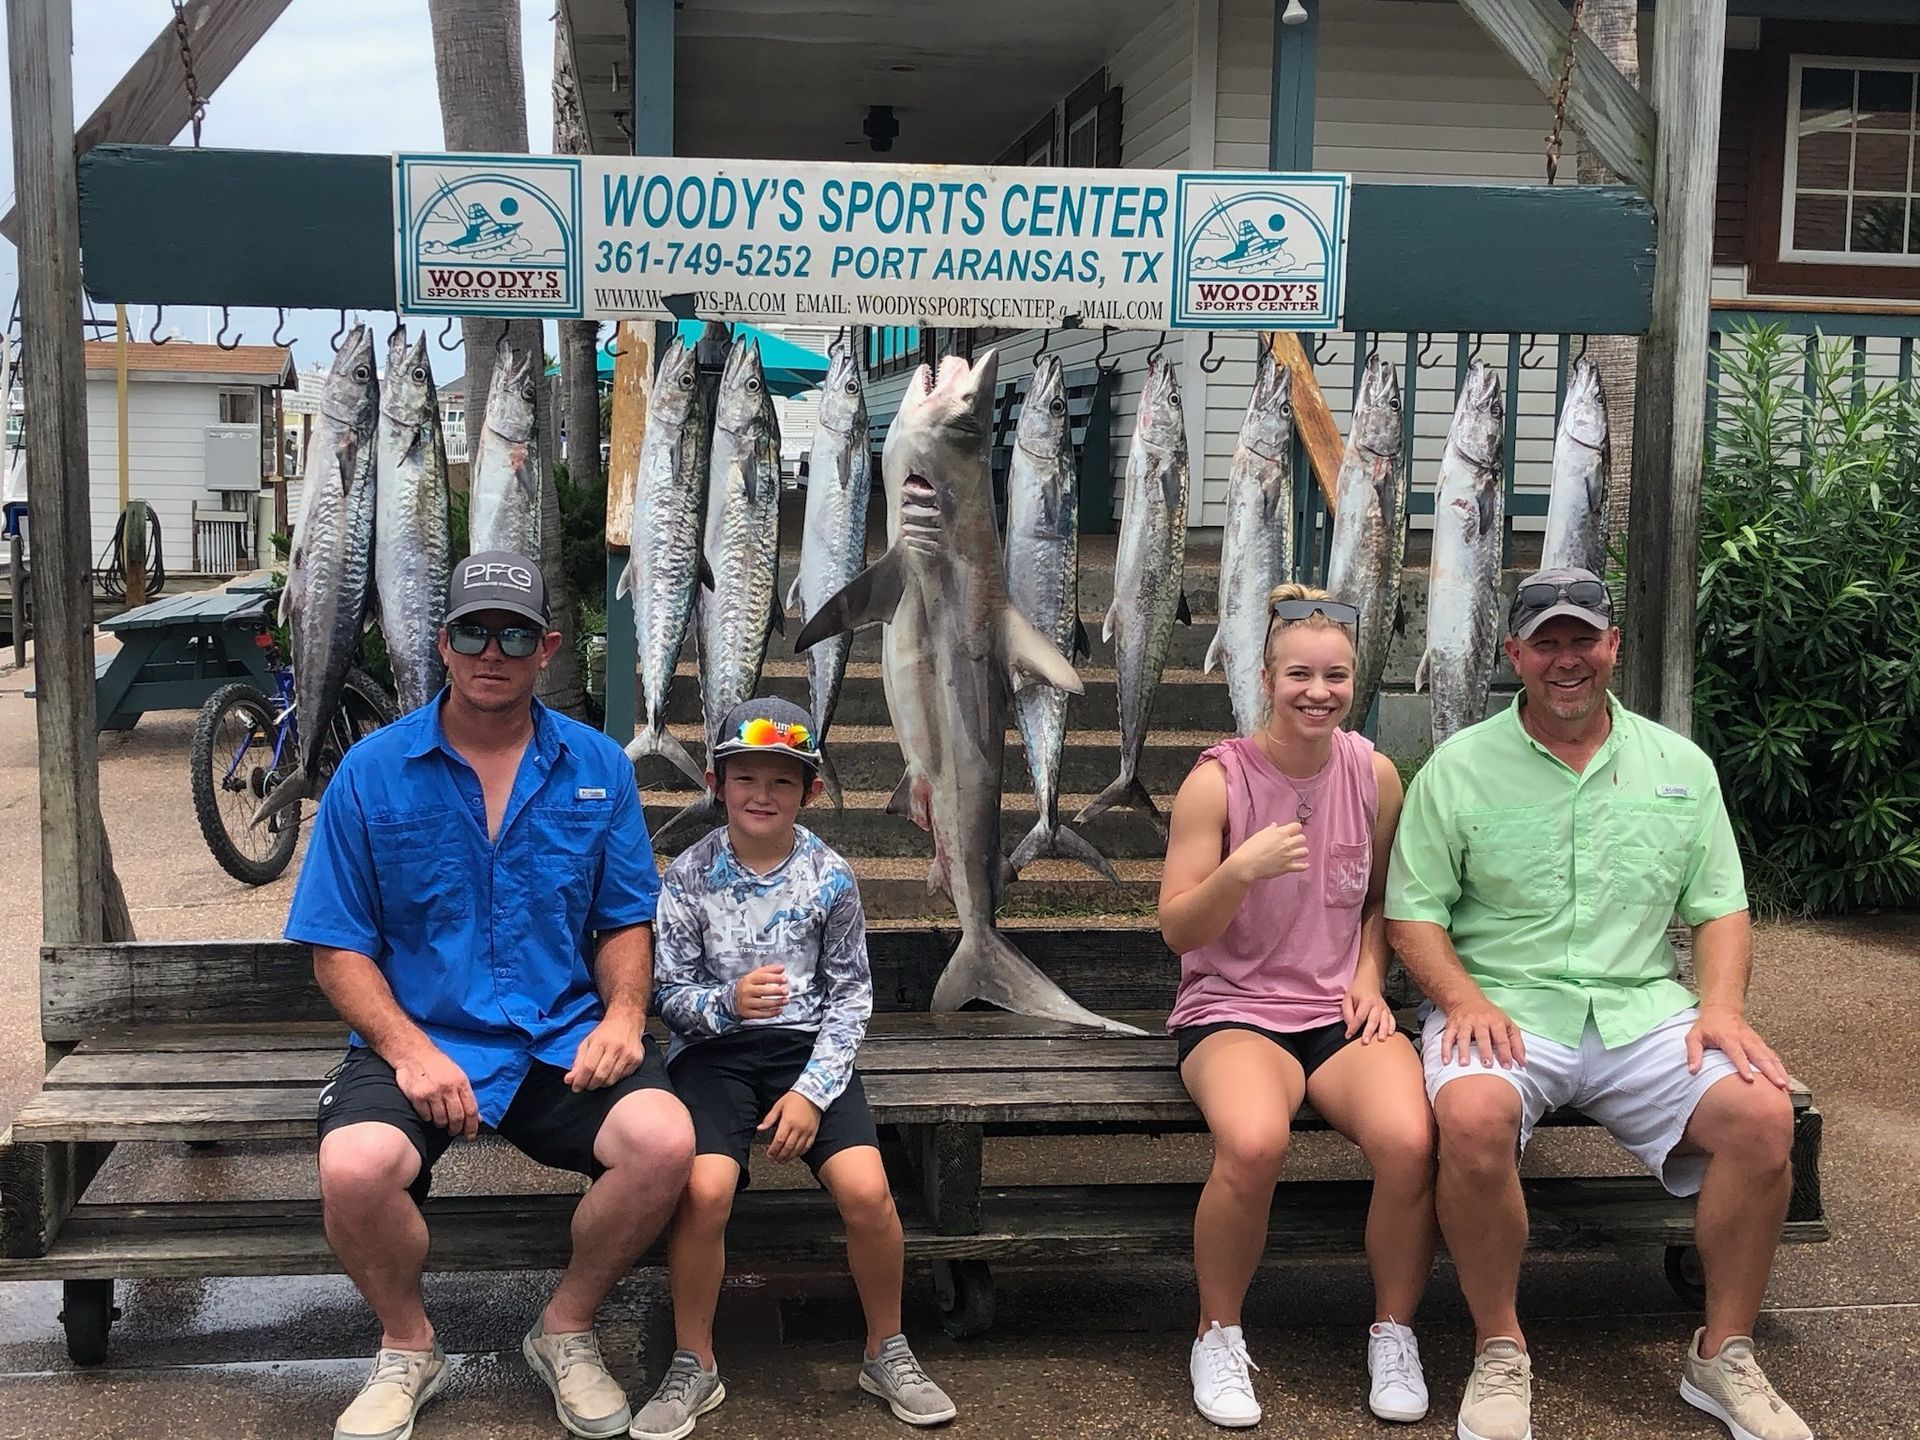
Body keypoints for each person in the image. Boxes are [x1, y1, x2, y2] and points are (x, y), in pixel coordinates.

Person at [1386, 567, 1809, 1440]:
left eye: (1585, 639)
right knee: (1469, 1117)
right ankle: (1500, 1350)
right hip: (1503, 1008)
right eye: (1547, 642)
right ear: (1514, 655)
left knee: (1764, 1117)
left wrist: (1721, 1006)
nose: (1567, 659)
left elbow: (1720, 906)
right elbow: (1413, 914)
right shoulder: (1458, 769)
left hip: (1641, 1010)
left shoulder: (1678, 766)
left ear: (1614, 647)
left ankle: (1722, 1356)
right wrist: (1457, 996)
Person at [286, 551, 695, 1440]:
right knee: (354, 1169)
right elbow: (336, 949)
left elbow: (627, 920)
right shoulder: (371, 771)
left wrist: (626, 1016)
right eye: (472, 630)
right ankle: (407, 1344)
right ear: (443, 643)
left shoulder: (598, 767)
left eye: (514, 633)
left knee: (665, 1141)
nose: (492, 652)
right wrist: (408, 1050)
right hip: (424, 1042)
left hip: (557, 1038)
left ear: (546, 647)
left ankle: (567, 1327)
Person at [632, 696, 957, 1438]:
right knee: (705, 1189)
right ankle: (694, 1360)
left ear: (809, 791)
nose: (761, 795)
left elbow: (851, 997)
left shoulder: (830, 875)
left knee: (869, 1191)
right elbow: (668, 996)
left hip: (807, 1050)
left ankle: (887, 1347)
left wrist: (812, 1092)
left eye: (782, 782)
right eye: (745, 778)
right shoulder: (685, 876)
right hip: (714, 1055)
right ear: (717, 784)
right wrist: (728, 1003)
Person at [1158, 584, 1434, 1429]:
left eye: (1337, 677)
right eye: (1300, 675)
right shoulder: (1218, 780)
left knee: (1410, 1140)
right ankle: (1218, 1331)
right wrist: (1239, 870)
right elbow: (1176, 927)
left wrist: (1367, 971)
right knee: (1253, 1141)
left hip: (1335, 1009)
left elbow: (1382, 898)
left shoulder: (1375, 773)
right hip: (1232, 1008)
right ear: (1266, 677)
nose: (1319, 692)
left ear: (1357, 682)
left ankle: (1394, 1330)